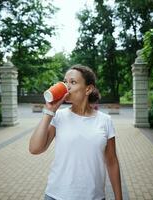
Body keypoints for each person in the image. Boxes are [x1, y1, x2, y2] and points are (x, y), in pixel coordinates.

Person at [29, 64, 123, 200]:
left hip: (94, 197)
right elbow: (35, 149)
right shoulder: (59, 117)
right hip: (56, 195)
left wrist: (118, 198)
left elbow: (112, 162)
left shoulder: (105, 121)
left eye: (73, 82)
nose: (67, 87)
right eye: (65, 82)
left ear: (88, 89)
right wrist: (49, 111)